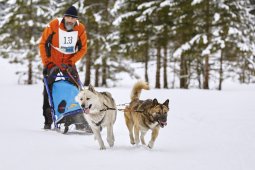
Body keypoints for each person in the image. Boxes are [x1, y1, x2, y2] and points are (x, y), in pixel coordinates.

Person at [39, 6, 90, 131]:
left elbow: (83, 48)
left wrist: (71, 62)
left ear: (76, 20)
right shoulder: (54, 25)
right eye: (68, 17)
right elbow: (43, 43)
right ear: (64, 17)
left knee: (78, 90)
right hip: (53, 63)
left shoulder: (80, 28)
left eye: (73, 18)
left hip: (69, 64)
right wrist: (47, 63)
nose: (70, 20)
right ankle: (48, 120)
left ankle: (79, 119)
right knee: (48, 91)